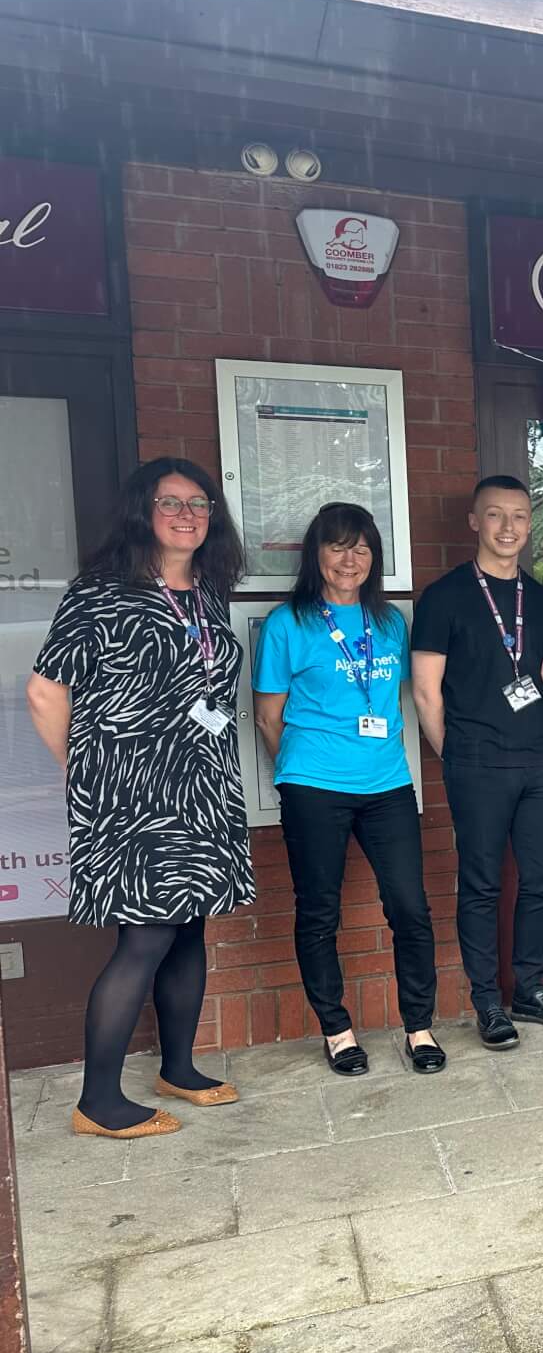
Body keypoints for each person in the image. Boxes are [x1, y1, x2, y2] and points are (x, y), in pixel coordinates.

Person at [25, 459, 254, 1137]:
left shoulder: (208, 592)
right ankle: (98, 1102)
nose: (187, 515)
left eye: (199, 503)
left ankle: (177, 1067)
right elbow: (45, 691)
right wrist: (83, 768)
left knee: (189, 928)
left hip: (203, 790)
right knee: (145, 936)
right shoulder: (100, 593)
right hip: (132, 796)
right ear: (141, 512)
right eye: (170, 502)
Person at [255, 504, 444, 1076]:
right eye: (338, 547)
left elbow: (407, 697)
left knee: (410, 907)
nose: (349, 559)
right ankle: (337, 1030)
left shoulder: (389, 622)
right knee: (319, 911)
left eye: (361, 549)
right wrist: (298, 775)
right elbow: (268, 717)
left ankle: (420, 1026)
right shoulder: (288, 624)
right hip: (314, 785)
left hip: (387, 783)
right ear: (317, 554)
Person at [412, 475, 543, 1051]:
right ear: (474, 522)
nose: (507, 527)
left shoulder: (542, 601)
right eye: (494, 515)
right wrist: (456, 754)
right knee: (482, 885)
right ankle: (487, 1000)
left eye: (518, 516)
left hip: (538, 761)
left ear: (529, 524)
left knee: (541, 878)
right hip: (476, 762)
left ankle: (529, 989)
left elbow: (539, 680)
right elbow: (426, 694)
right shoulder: (444, 597)